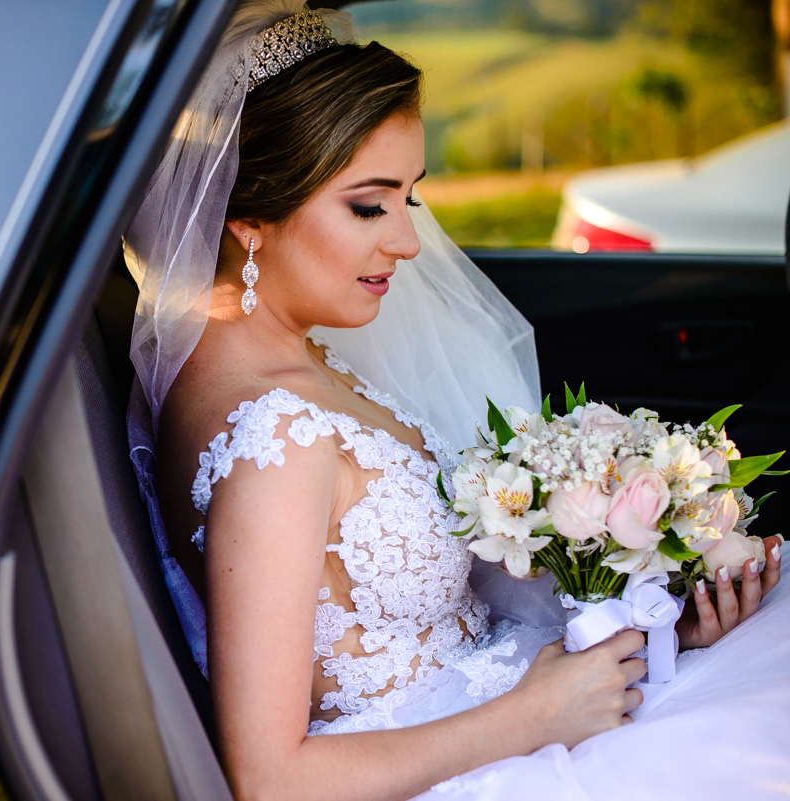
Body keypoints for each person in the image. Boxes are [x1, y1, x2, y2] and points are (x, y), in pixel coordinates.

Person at [123, 2, 790, 800]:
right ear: (250, 218)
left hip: (508, 694)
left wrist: (654, 634)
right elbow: (269, 779)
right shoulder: (274, 436)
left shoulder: (302, 356)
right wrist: (531, 716)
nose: (406, 240)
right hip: (473, 753)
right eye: (369, 205)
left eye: (411, 197)